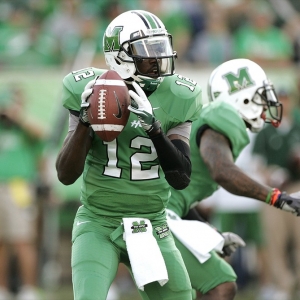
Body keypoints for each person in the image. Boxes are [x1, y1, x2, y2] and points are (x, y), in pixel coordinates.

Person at [55, 9, 202, 300]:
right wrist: (86, 121)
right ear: (118, 56)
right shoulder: (89, 89)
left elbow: (181, 177)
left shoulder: (178, 95)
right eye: (147, 50)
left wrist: (155, 130)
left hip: (152, 222)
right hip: (98, 221)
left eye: (160, 47)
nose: (157, 58)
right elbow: (65, 174)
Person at [165, 58, 300, 300]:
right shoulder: (223, 114)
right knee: (220, 284)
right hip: (157, 215)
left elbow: (180, 197)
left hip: (164, 211)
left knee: (207, 285)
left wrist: (207, 230)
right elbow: (222, 171)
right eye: (260, 96)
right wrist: (276, 197)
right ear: (243, 98)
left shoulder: (217, 117)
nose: (267, 103)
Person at [252, 88, 300, 300]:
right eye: (280, 99)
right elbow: (258, 163)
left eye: (286, 98)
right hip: (275, 191)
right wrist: (271, 172)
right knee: (274, 239)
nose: (284, 103)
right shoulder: (267, 130)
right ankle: (283, 284)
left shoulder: (298, 127)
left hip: (298, 186)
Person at [0, 86, 45, 300]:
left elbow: (40, 134)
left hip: (19, 188)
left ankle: (28, 289)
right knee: (1, 243)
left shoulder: (25, 129)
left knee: (23, 240)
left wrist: (17, 116)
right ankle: (3, 289)